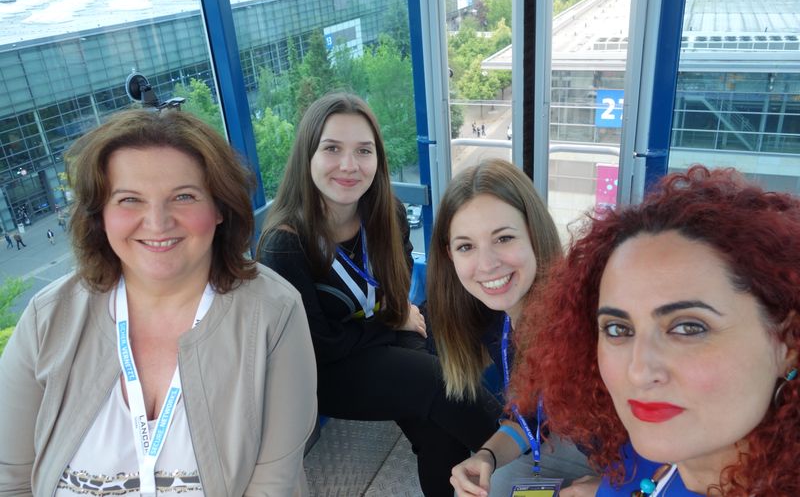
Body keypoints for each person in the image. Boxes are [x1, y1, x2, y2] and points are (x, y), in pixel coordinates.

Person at [0, 109, 317, 496]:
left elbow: (273, 485)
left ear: (219, 208)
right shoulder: (47, 318)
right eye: (129, 199)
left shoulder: (273, 313)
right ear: (101, 214)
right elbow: (9, 479)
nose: (157, 221)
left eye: (183, 196)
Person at [258, 92, 501, 497]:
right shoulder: (285, 245)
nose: (349, 165)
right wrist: (394, 322)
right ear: (307, 156)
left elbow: (397, 295)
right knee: (438, 383)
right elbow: (317, 347)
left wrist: (396, 322)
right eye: (332, 149)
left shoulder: (386, 213)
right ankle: (526, 459)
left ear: (377, 159)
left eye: (363, 151)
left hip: (384, 334)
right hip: (325, 372)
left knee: (438, 425)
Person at [511, 165, 800, 496]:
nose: (639, 372)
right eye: (618, 328)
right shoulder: (645, 456)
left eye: (688, 328)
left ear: (788, 342)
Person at [427, 159, 595, 497]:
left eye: (503, 238)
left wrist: (610, 490)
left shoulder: (585, 324)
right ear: (450, 255)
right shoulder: (496, 320)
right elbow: (530, 416)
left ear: (534, 234)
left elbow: (677, 446)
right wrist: (486, 457)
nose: (487, 264)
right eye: (466, 246)